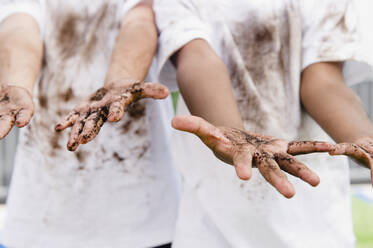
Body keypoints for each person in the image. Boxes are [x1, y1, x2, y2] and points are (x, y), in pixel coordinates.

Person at [154, 0, 373, 247]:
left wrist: (362, 138)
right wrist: (232, 136)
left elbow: (323, 79)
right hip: (214, 226)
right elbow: (196, 57)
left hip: (314, 225)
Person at [0, 0, 180, 247]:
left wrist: (122, 80)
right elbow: (19, 24)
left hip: (142, 209)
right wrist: (16, 84)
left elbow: (141, 18)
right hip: (41, 209)